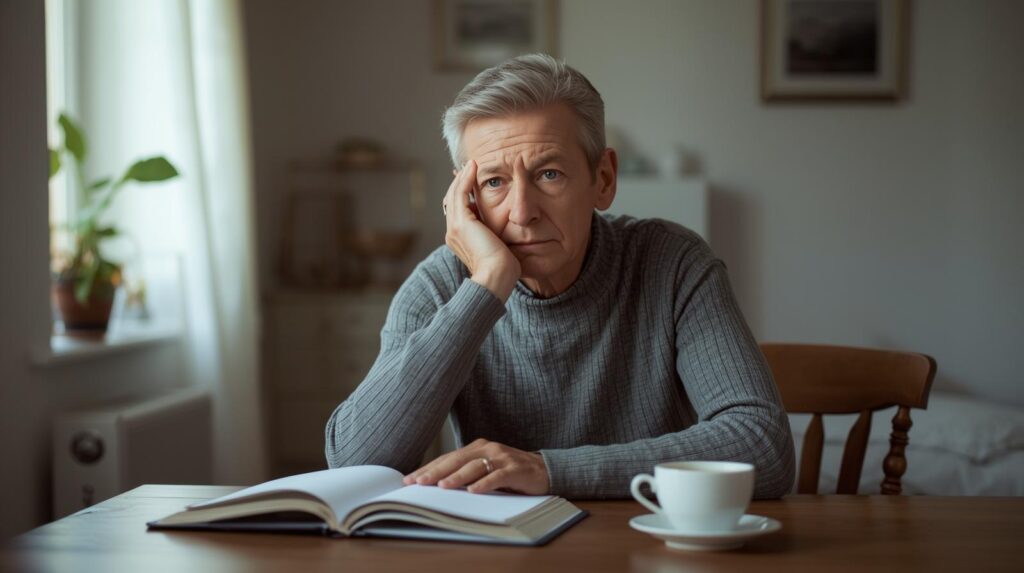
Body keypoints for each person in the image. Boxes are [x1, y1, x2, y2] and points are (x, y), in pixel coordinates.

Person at [325, 53, 795, 499]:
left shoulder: (673, 264)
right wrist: (487, 285)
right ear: (464, 198)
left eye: (549, 174)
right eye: (494, 182)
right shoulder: (438, 286)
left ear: (603, 179)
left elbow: (762, 444)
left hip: (646, 534)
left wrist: (549, 471)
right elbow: (354, 463)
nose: (522, 212)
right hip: (499, 543)